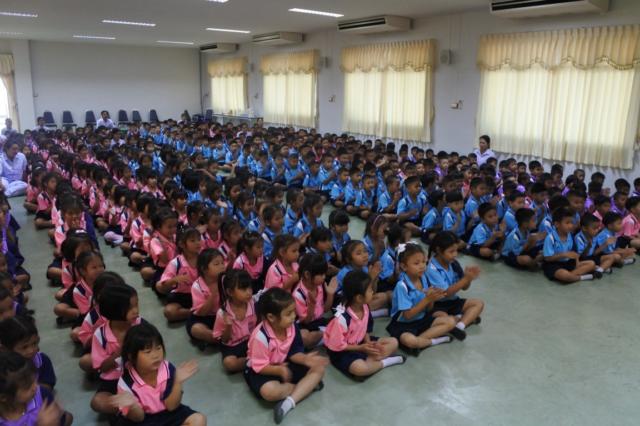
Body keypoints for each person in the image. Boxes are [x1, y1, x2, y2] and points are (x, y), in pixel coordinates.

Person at [244, 288, 327, 424]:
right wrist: (280, 370)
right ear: (271, 317)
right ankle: (305, 388)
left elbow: (294, 352)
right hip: (263, 370)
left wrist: (306, 359)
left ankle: (288, 403)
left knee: (319, 369)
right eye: (288, 314)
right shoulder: (260, 337)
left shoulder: (291, 326)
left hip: (285, 362)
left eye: (293, 311)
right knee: (269, 392)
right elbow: (259, 366)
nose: (294, 316)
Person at [111, 322, 206, 426]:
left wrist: (177, 382)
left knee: (199, 419)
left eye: (158, 348)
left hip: (168, 413)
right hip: (145, 420)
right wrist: (132, 405)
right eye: (148, 351)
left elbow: (171, 406)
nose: (155, 355)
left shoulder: (167, 368)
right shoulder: (125, 383)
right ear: (131, 356)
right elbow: (139, 417)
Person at [324, 270, 405, 377]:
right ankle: (384, 362)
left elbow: (365, 329)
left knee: (394, 342)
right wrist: (361, 348)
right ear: (359, 298)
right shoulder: (342, 319)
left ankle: (370, 361)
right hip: (343, 351)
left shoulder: (365, 307)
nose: (373, 292)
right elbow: (337, 345)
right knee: (359, 369)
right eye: (370, 290)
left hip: (360, 342)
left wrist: (368, 343)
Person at [0, 351, 72, 426]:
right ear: (3, 397)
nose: (35, 386)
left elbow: (62, 420)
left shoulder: (42, 394)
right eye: (27, 387)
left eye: (34, 380)